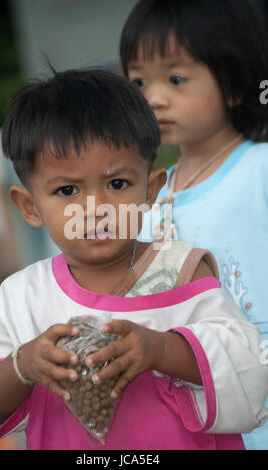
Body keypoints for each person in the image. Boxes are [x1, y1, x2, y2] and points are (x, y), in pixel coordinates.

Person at [0, 68, 267, 451]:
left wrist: (161, 350)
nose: (94, 208)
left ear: (151, 190)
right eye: (67, 189)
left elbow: (246, 368)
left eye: (116, 184)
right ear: (29, 206)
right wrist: (23, 366)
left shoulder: (181, 272)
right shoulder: (23, 296)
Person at [120, 0, 268, 450]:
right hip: (199, 415)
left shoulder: (259, 169)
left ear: (236, 84)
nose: (153, 97)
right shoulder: (151, 197)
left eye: (176, 79)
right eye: (139, 81)